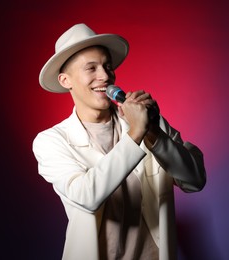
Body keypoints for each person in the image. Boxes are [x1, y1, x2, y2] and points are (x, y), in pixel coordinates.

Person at [32, 23, 207, 260]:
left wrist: (153, 134)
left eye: (107, 66)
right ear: (65, 80)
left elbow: (194, 181)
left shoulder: (148, 123)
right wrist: (136, 133)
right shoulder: (51, 141)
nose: (105, 76)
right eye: (91, 68)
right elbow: (87, 196)